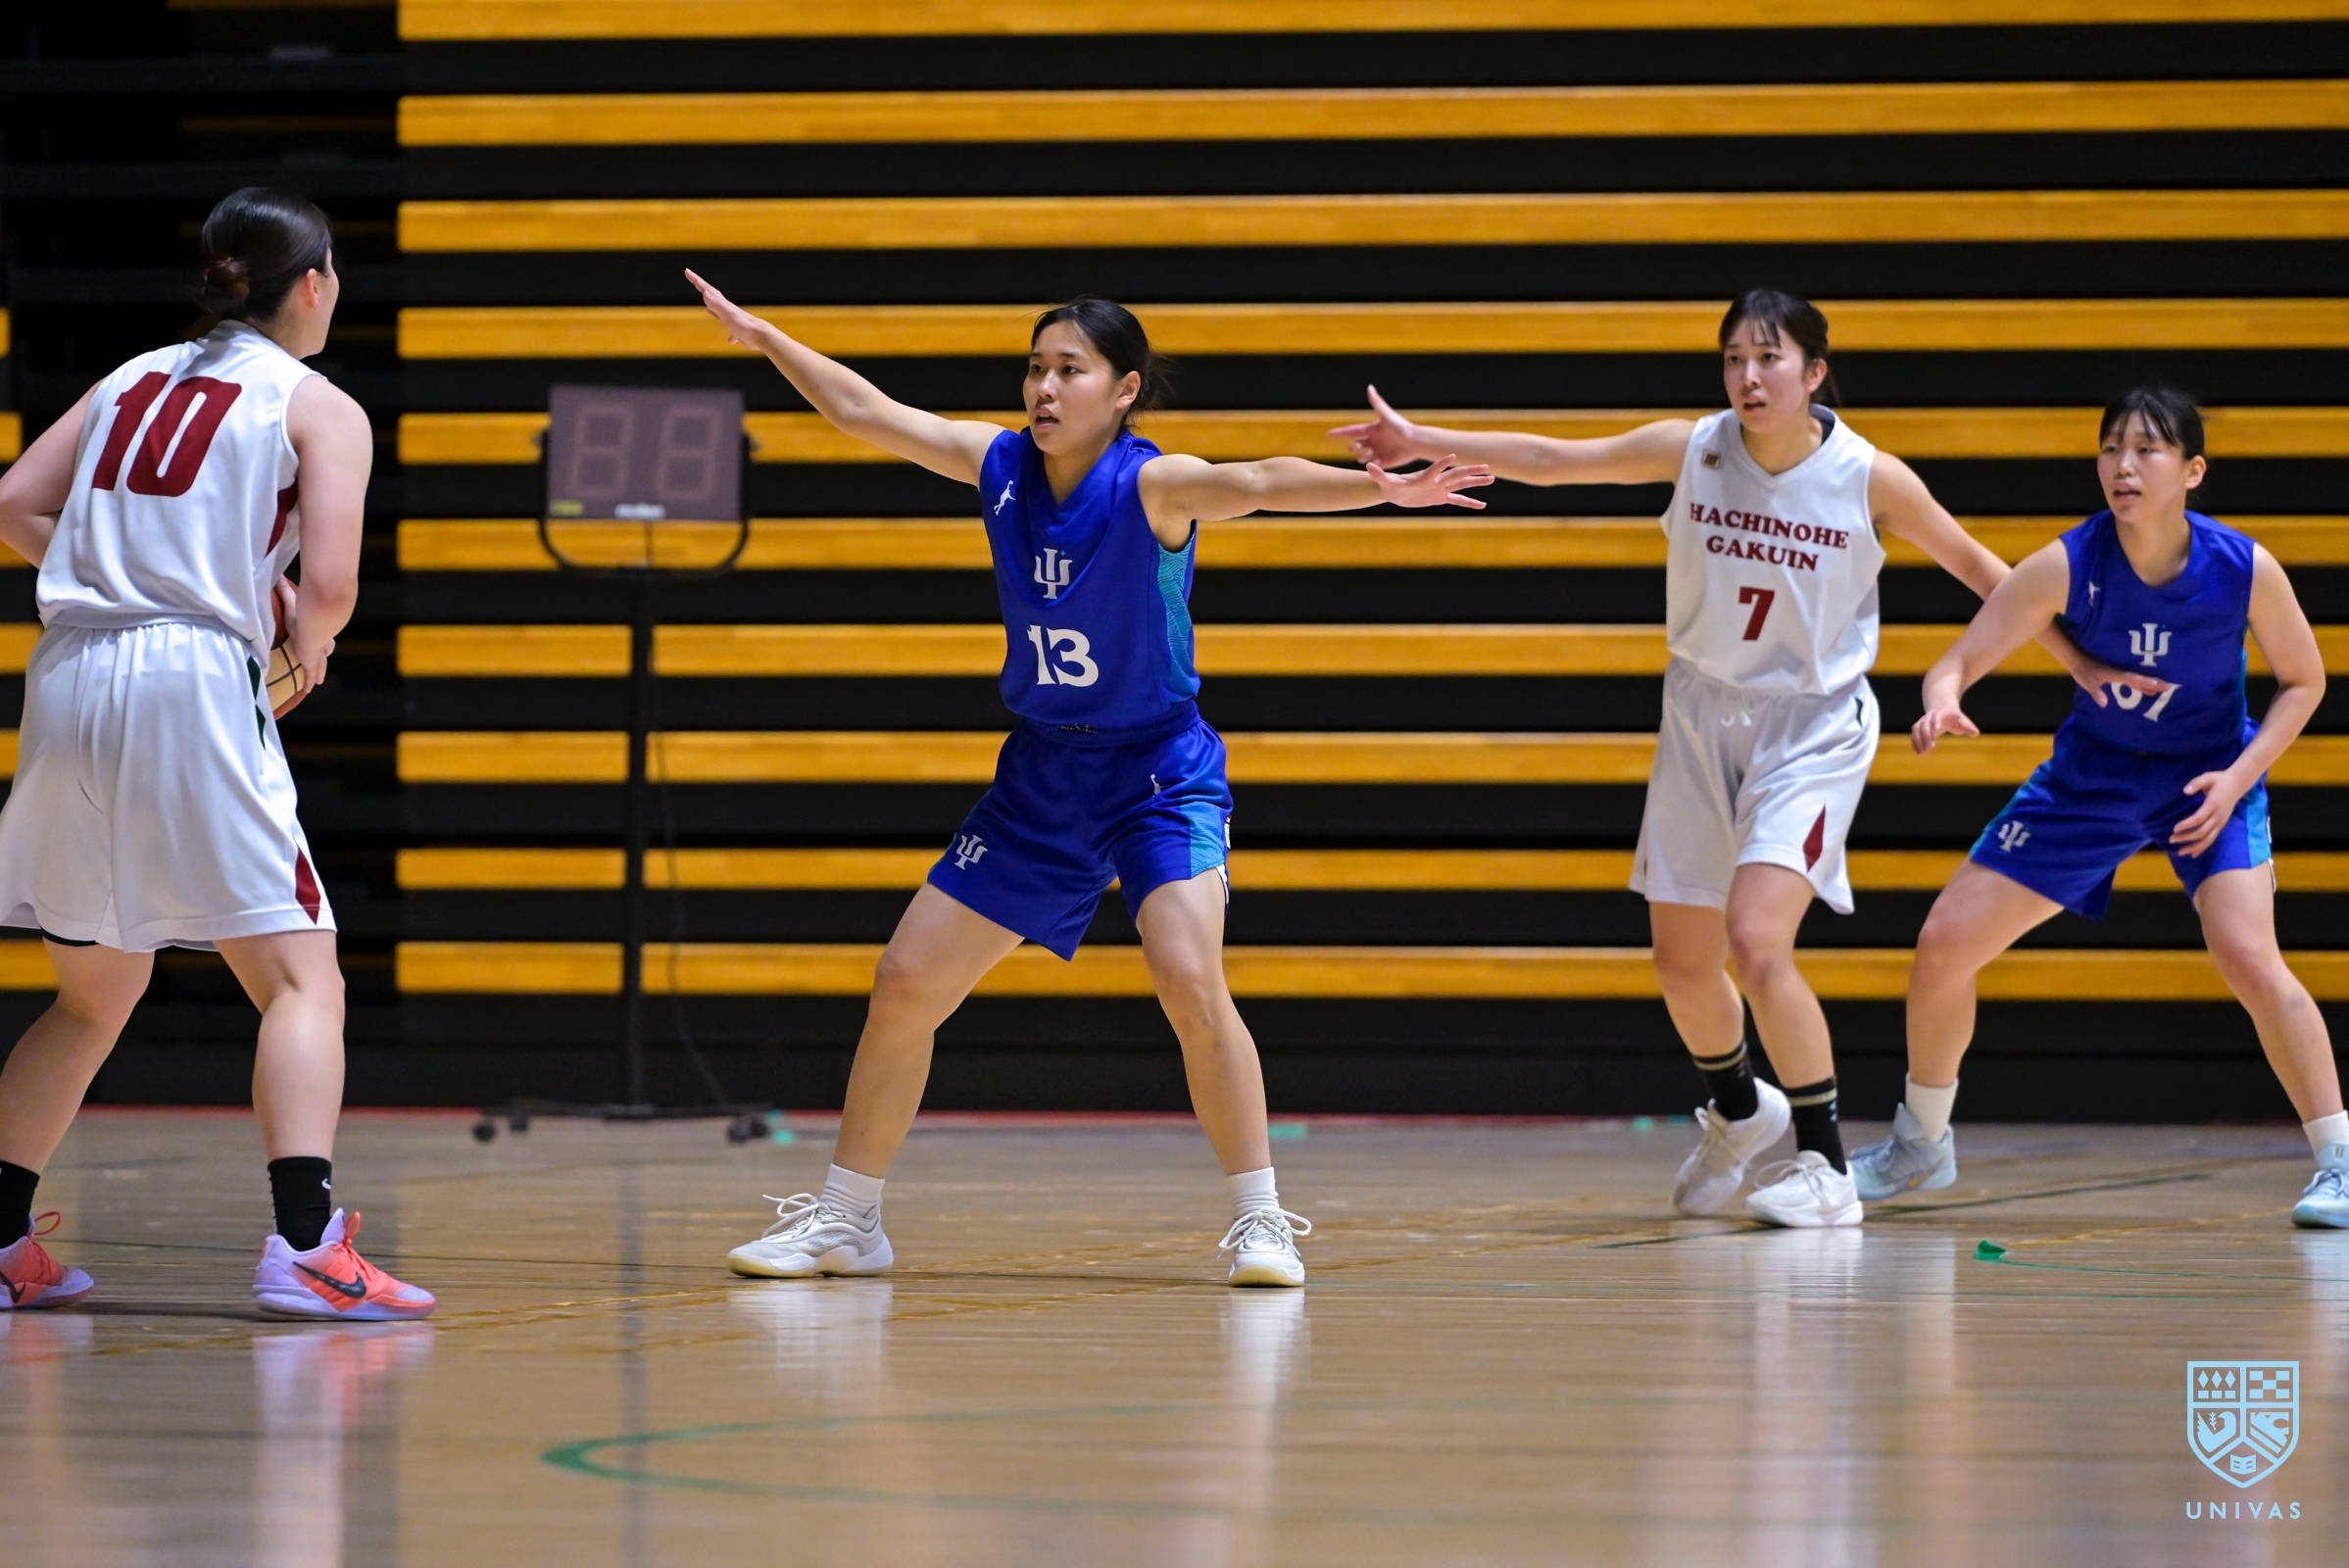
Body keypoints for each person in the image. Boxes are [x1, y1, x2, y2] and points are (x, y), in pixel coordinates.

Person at [689, 275, 1492, 1285]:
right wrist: (769, 337)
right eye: (1036, 367)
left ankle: (1263, 1222)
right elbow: (865, 410)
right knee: (905, 982)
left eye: (1070, 369)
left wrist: (1379, 489)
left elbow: (1260, 478)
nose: (1044, 387)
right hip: (1043, 776)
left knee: (1189, 976)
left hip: (1156, 773)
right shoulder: (998, 466)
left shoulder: (1154, 486)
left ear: (1124, 390)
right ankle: (849, 1222)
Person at [1332, 287, 2134, 1227]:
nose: (1748, 377)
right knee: (1682, 962)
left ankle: (1825, 1167)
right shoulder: (1693, 448)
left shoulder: (1868, 477)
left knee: (1757, 940)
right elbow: (1555, 460)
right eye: (1732, 359)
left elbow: (1984, 572)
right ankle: (1740, 1106)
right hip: (1698, 713)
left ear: (1814, 372)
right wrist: (1419, 437)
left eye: (1767, 358)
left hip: (1812, 726)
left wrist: (2078, 662)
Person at [0, 187, 434, 1317]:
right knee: (301, 976)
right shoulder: (318, 404)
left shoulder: (129, 378)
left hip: (70, 669)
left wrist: (119, 573)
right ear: (313, 282)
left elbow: (12, 503)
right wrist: (305, 649)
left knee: (94, 991)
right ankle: (307, 1246)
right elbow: (329, 585)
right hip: (191, 672)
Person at [1852, 388, 2348, 1227]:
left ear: (2191, 471)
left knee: (2246, 955)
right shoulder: (2067, 563)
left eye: (2147, 450)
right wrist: (1941, 703)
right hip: (2093, 780)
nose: (2123, 466)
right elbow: (1954, 662)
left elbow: (2305, 681)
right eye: (2111, 448)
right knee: (1941, 946)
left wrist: (2237, 778)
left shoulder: (2242, 568)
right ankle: (1920, 1143)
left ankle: (2338, 1163)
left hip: (2206, 777)